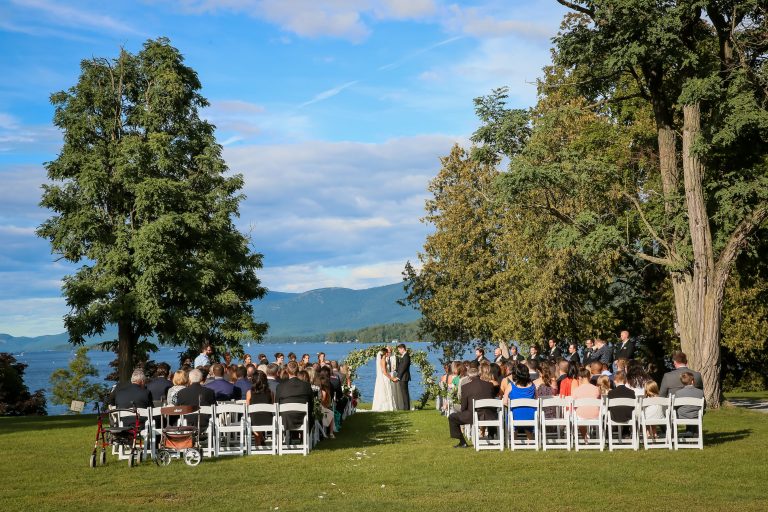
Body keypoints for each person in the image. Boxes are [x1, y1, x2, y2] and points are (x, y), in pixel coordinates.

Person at [448, 366, 495, 448]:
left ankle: (462, 442)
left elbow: (463, 407)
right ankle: (491, 435)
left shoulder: (465, 387)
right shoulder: (489, 385)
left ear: (469, 377)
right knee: (488, 410)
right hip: (490, 415)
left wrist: (464, 412)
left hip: (473, 415)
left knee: (452, 417)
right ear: (479, 375)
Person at [275, 361, 315, 433]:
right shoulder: (306, 385)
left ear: (287, 371)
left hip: (285, 419)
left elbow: (277, 403)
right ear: (298, 370)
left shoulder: (280, 386)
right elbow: (311, 403)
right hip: (302, 417)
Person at [505, 365, 537, 440]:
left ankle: (514, 440)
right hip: (531, 417)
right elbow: (536, 399)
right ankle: (530, 440)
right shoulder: (532, 385)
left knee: (511, 414)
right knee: (528, 414)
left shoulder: (510, 386)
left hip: (515, 417)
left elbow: (505, 402)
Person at [572, 368, 601, 441]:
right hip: (596, 415)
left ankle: (585, 437)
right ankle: (596, 438)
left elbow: (573, 404)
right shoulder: (596, 389)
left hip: (581, 416)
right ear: (589, 377)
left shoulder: (576, 390)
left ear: (580, 378)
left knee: (576, 414)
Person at [246, 370, 273, 446]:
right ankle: (260, 440)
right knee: (259, 417)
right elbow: (272, 405)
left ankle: (258, 441)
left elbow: (247, 409)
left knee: (254, 417)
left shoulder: (249, 393)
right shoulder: (270, 392)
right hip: (268, 420)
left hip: (254, 421)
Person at [372, 347, 398, 412]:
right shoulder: (383, 360)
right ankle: (386, 406)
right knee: (387, 391)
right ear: (385, 353)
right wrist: (392, 378)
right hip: (385, 378)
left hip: (385, 377)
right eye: (387, 352)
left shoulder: (383, 359)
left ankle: (388, 406)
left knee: (387, 391)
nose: (388, 353)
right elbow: (384, 372)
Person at [394, 343, 412, 411]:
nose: (399, 351)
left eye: (399, 350)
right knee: (404, 393)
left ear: (402, 349)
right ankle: (406, 407)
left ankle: (407, 408)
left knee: (404, 393)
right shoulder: (404, 356)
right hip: (403, 377)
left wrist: (398, 377)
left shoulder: (406, 356)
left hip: (404, 377)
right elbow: (400, 367)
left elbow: (403, 368)